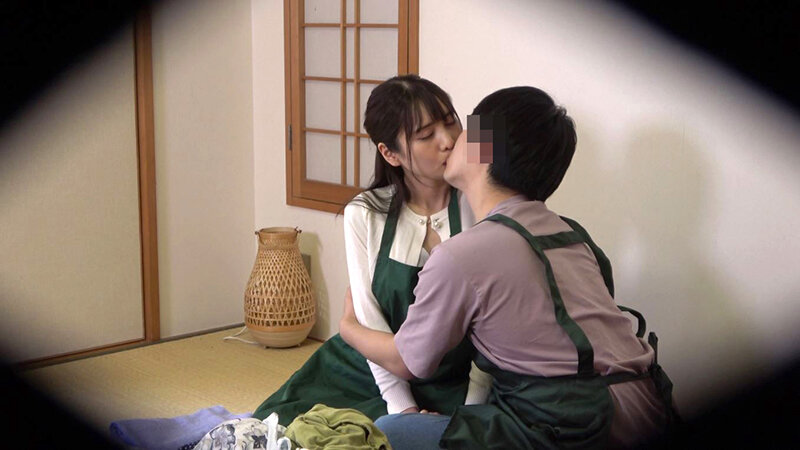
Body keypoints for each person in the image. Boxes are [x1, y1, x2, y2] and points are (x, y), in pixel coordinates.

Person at [340, 86, 680, 449]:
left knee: (389, 430)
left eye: (460, 127)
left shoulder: (461, 255)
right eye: (427, 134)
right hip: (652, 406)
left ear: (485, 152)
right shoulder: (572, 235)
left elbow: (409, 361)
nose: (450, 141)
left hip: (573, 424)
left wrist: (347, 328)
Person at [252, 74, 491, 425]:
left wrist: (472, 411)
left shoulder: (480, 203)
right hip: (369, 369)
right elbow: (369, 317)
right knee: (276, 425)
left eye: (450, 122)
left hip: (462, 377)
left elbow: (493, 325)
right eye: (426, 135)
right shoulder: (364, 213)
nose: (449, 141)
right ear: (390, 153)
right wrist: (403, 409)